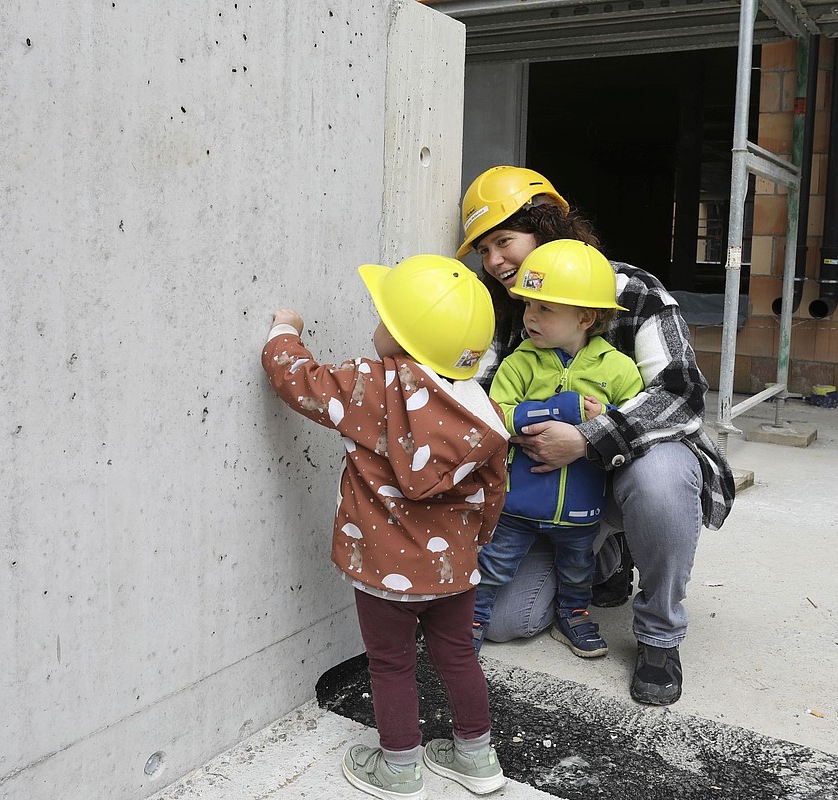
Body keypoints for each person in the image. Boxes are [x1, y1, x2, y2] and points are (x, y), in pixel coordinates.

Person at [457, 165, 735, 706]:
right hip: (545, 491)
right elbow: (481, 400)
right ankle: (605, 558)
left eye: (503, 241)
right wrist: (526, 428)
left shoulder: (631, 289)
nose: (493, 262)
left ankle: (658, 634)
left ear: (546, 229)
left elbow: (681, 392)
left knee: (660, 479)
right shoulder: (503, 308)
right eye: (483, 251)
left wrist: (586, 438)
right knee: (506, 622)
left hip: (622, 469)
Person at [261, 254, 509, 799]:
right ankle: (476, 755)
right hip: (454, 570)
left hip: (382, 570)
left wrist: (285, 330)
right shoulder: (483, 410)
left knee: (391, 662)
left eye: (382, 313)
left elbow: (298, 380)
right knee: (458, 655)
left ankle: (399, 766)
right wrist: (474, 545)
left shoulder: (369, 385)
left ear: (399, 333)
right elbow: (495, 493)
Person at [472, 239, 644, 661]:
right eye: (529, 305)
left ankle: (574, 614)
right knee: (494, 564)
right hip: (517, 507)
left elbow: (635, 420)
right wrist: (561, 408)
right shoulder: (520, 362)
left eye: (545, 309)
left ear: (585, 317)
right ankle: (471, 618)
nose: (529, 316)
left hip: (582, 508)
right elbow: (497, 414)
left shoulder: (618, 368)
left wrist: (605, 415)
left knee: (577, 567)